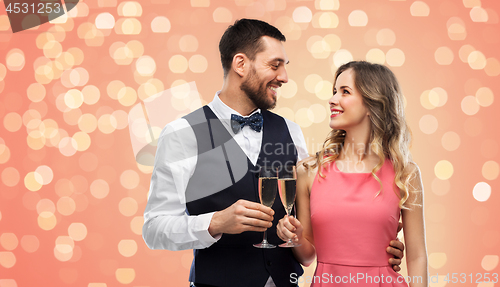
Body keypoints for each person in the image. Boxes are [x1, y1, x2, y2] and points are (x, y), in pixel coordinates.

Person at [142, 19, 405, 287]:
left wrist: (377, 247)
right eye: (274, 65)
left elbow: (315, 225)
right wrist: (216, 223)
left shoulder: (291, 131)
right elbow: (153, 229)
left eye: (284, 67)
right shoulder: (182, 134)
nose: (284, 77)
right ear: (241, 64)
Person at [277, 61, 428, 286]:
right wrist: (295, 237)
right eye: (334, 91)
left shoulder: (405, 173)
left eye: (345, 92)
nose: (332, 99)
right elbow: (308, 257)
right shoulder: (308, 171)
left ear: (373, 102)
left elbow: (417, 256)